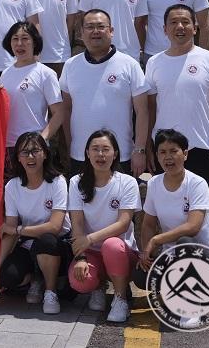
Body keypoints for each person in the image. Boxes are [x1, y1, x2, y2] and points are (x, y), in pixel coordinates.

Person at [138, 129, 209, 330]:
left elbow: (193, 227)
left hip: (203, 256)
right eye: (162, 152)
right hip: (171, 254)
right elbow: (148, 223)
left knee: (185, 243)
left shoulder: (197, 183)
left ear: (185, 154)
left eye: (173, 151)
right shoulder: (154, 184)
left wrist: (156, 240)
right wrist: (146, 252)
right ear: (157, 155)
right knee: (141, 276)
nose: (168, 157)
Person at [143, 5, 209, 196]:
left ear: (195, 28)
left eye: (185, 22)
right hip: (164, 149)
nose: (180, 26)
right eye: (173, 22)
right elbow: (150, 108)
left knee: (201, 209)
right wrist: (147, 147)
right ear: (165, 29)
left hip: (201, 147)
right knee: (165, 207)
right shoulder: (154, 63)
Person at [59, 10, 150, 177]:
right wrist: (70, 144)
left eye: (101, 26)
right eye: (89, 27)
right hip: (81, 155)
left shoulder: (129, 65)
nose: (95, 31)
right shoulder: (71, 65)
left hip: (121, 155)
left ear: (111, 31)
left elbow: (142, 111)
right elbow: (66, 109)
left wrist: (139, 150)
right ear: (81, 33)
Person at [67, 129, 142, 324]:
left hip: (121, 250)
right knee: (79, 281)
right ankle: (98, 286)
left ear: (115, 154)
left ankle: (120, 298)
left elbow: (123, 223)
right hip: (89, 250)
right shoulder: (76, 182)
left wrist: (90, 239)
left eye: (106, 149)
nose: (100, 154)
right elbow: (77, 223)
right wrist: (81, 257)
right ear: (87, 153)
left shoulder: (127, 182)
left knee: (111, 245)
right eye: (95, 149)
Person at [0, 131, 72, 314]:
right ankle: (36, 279)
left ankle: (50, 291)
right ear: (18, 157)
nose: (30, 156)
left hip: (57, 244)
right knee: (7, 276)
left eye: (35, 151)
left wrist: (18, 230)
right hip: (28, 244)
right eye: (24, 152)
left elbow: (54, 227)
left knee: (46, 240)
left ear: (45, 154)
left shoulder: (58, 182)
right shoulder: (12, 186)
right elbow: (9, 229)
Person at [0, 21, 64, 151]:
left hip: (33, 146)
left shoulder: (45, 73)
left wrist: (41, 139)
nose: (19, 44)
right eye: (15, 39)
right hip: (8, 144)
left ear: (35, 42)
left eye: (25, 38)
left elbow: (59, 113)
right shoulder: (5, 73)